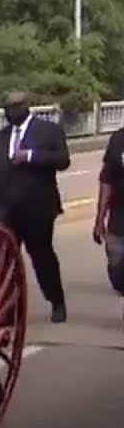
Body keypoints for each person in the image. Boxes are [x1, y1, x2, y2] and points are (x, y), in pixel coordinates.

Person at [0, 91, 70, 323]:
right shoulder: (0, 137)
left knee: (41, 256)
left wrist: (31, 156)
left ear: (26, 106)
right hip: (7, 210)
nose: (10, 112)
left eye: (15, 107)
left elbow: (63, 160)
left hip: (38, 209)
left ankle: (56, 302)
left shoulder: (48, 130)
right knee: (5, 261)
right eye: (7, 108)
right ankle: (6, 309)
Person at [92, 123, 124, 313]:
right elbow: (106, 180)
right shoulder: (118, 140)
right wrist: (99, 219)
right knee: (117, 268)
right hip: (119, 214)